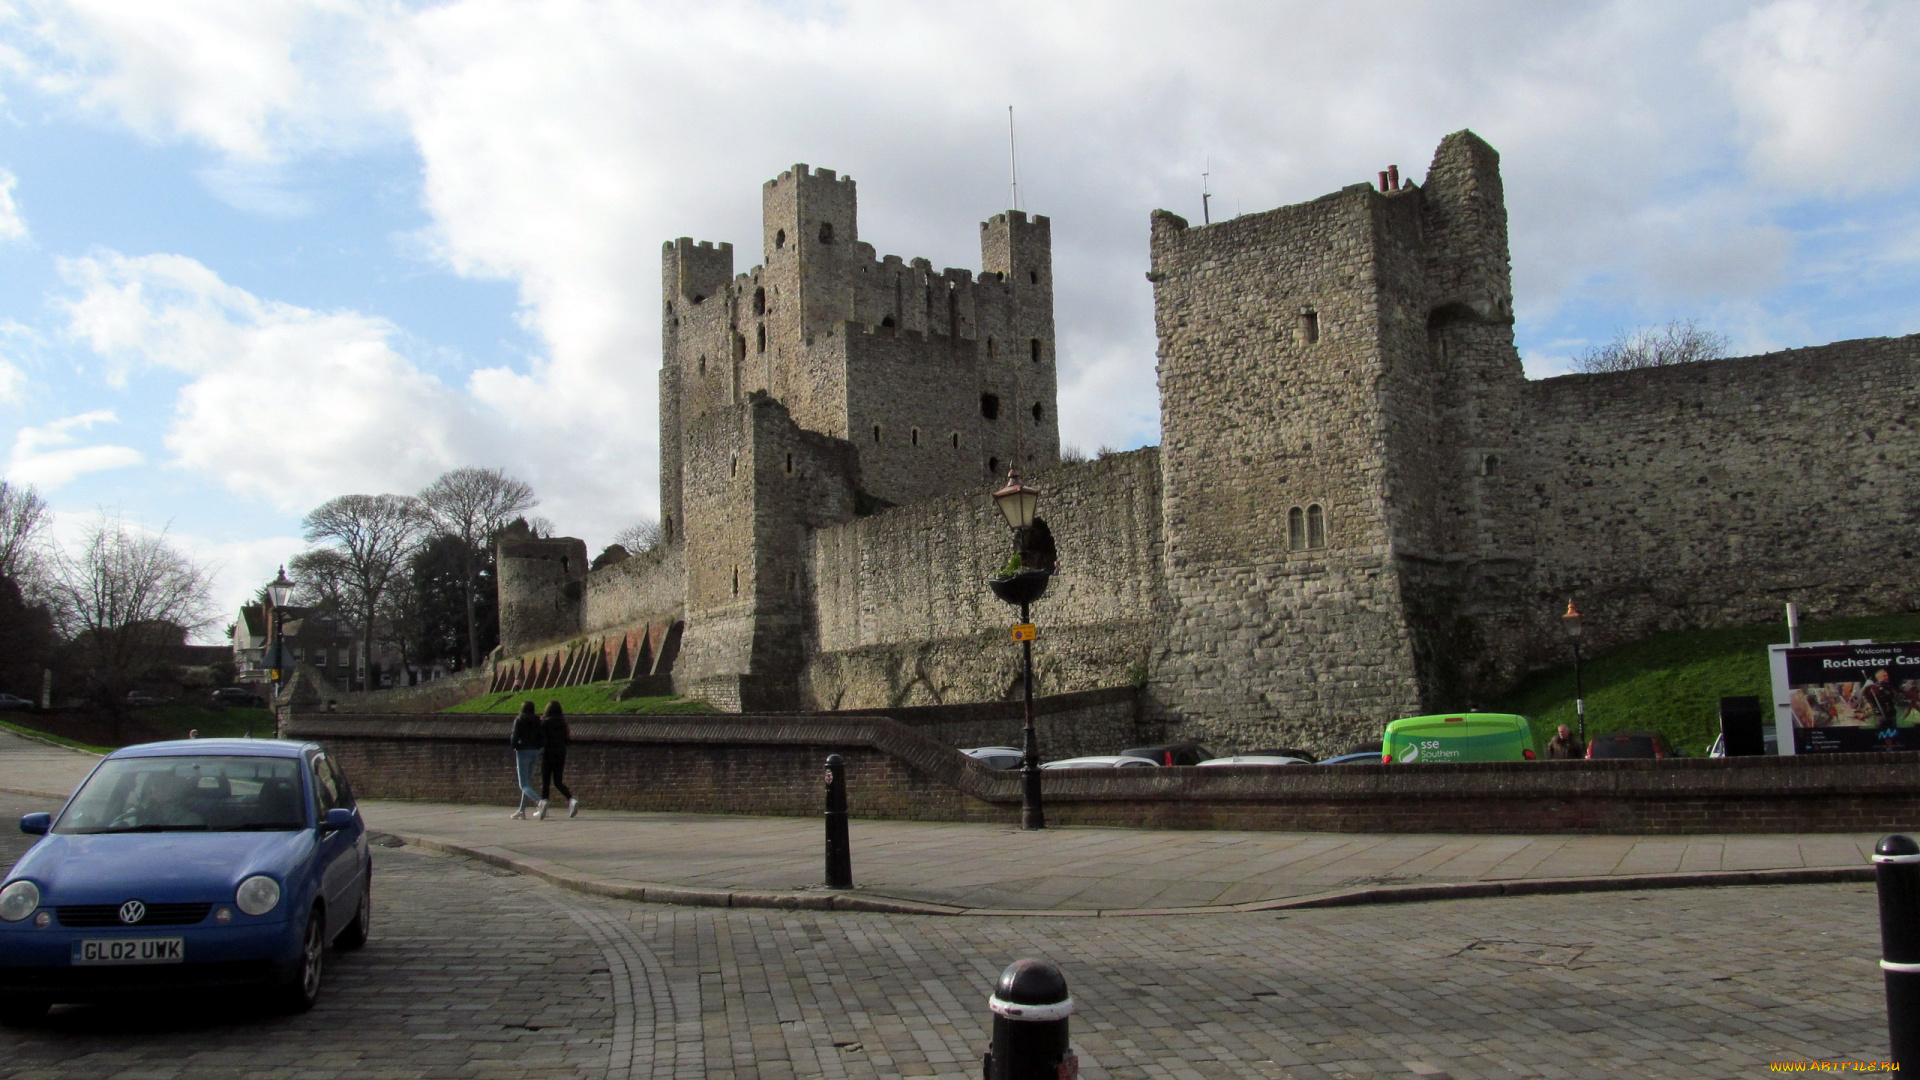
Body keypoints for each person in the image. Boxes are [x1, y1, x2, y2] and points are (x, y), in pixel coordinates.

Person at [539, 700, 578, 819]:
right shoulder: (563, 723)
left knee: (546, 781)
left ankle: (544, 803)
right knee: (558, 781)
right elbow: (567, 740)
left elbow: (541, 738)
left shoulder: (545, 723)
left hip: (548, 753)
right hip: (560, 753)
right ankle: (571, 800)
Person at [508, 701, 546, 820]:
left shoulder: (519, 720)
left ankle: (539, 802)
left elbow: (515, 736)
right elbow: (542, 737)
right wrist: (538, 747)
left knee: (523, 784)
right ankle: (522, 810)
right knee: (528, 783)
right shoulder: (537, 721)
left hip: (523, 751)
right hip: (534, 751)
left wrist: (515, 746)